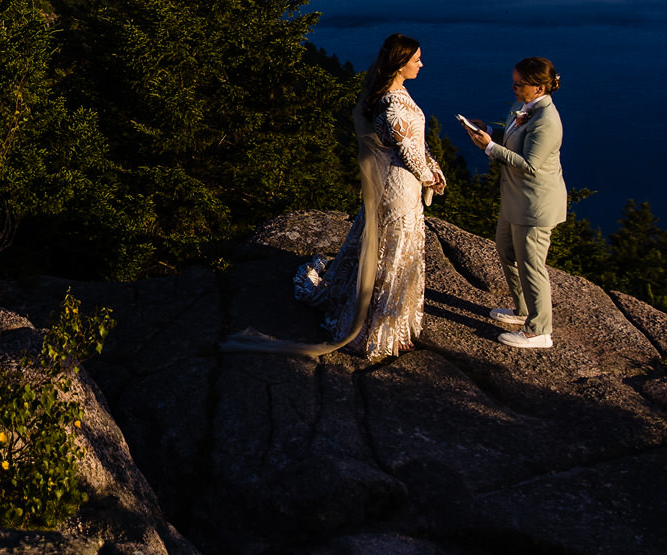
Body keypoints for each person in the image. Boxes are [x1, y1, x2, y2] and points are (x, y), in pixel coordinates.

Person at [226, 33, 444, 361]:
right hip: (399, 187)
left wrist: (431, 167)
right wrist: (433, 178)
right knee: (394, 256)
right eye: (416, 60)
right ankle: (382, 330)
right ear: (399, 65)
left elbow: (414, 144)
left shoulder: (390, 93)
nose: (421, 64)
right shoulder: (394, 106)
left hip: (395, 183)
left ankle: (390, 323)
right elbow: (409, 153)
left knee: (387, 252)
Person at [467, 57, 566, 350]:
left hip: (535, 205)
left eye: (520, 84)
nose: (513, 87)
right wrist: (490, 133)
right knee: (506, 249)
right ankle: (523, 310)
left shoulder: (547, 122)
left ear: (539, 87)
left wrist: (489, 148)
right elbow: (513, 141)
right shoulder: (521, 109)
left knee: (533, 265)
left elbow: (531, 165)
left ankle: (540, 331)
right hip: (515, 199)